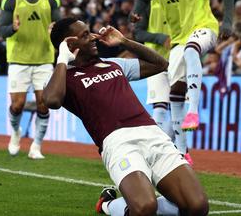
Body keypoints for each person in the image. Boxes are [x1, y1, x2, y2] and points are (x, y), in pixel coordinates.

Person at [44, 18, 209, 216]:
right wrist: (62, 59)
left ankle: (126, 201)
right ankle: (109, 205)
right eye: (85, 35)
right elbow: (52, 100)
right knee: (145, 208)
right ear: (69, 44)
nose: (94, 37)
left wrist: (124, 42)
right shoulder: (64, 78)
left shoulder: (113, 64)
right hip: (119, 144)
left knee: (198, 206)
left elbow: (161, 64)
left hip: (153, 135)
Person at [132, 0, 234, 162]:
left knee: (191, 50)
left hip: (204, 28)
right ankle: (181, 151)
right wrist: (136, 12)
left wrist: (227, 21)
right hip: (176, 42)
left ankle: (193, 110)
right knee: (176, 92)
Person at [0, 0, 60, 159]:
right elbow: (2, 31)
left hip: (44, 59)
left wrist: (55, 30)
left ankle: (37, 146)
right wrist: (13, 28)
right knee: (17, 105)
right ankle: (16, 133)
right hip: (18, 60)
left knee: (44, 103)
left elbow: (58, 26)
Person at [133, 0, 175, 146]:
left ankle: (169, 148)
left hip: (179, 59)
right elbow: (138, 33)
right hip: (156, 61)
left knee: (182, 109)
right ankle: (158, 147)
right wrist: (160, 38)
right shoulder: (148, 1)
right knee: (160, 106)